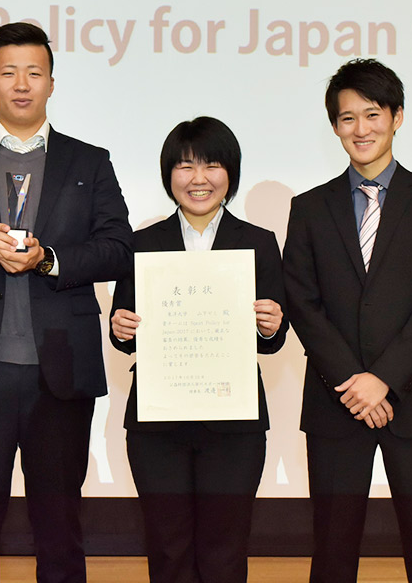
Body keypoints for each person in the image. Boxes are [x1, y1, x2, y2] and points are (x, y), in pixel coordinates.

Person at [0, 22, 132, 583]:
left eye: (34, 73)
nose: (22, 84)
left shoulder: (90, 162)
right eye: (8, 73)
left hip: (59, 371)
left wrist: (51, 259)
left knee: (60, 528)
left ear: (52, 83)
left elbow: (118, 249)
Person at [282, 58, 412, 583]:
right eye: (347, 118)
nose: (360, 129)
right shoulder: (309, 209)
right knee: (333, 553)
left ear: (397, 116)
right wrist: (355, 383)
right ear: (334, 126)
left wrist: (382, 378)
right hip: (336, 402)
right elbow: (304, 304)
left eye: (372, 114)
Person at [110, 117, 287, 583]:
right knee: (167, 548)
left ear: (231, 172)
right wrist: (122, 327)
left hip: (233, 425)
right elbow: (120, 331)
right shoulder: (142, 244)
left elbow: (272, 343)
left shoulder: (258, 243)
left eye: (211, 165)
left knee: (224, 549)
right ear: (169, 174)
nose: (199, 178)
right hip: (157, 424)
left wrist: (271, 326)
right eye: (186, 166)